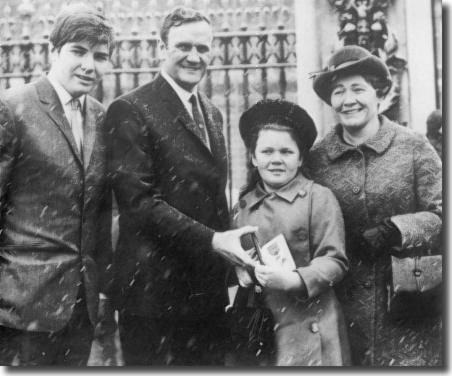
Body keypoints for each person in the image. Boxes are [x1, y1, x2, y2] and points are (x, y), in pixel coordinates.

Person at [106, 6, 255, 366]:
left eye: (203, 48)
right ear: (161, 47)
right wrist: (215, 241)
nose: (194, 57)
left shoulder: (211, 111)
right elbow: (139, 203)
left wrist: (230, 256)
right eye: (183, 46)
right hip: (153, 297)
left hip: (205, 292)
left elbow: (213, 199)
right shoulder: (130, 109)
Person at [307, 45, 442, 366]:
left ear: (379, 93)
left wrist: (396, 229)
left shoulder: (413, 147)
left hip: (411, 305)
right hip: (343, 305)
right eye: (338, 91)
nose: (348, 99)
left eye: (357, 88)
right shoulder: (316, 158)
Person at [0, 4, 114, 366]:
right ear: (53, 52)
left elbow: (97, 212)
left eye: (99, 56)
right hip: (22, 308)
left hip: (79, 307)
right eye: (78, 52)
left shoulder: (99, 114)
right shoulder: (13, 108)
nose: (88, 65)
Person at [229, 99, 350, 366]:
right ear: (253, 157)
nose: (276, 160)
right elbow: (232, 261)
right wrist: (241, 272)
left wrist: (293, 279)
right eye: (267, 151)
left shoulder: (318, 198)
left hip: (310, 326)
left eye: (286, 151)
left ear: (301, 157)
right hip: (263, 328)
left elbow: (335, 261)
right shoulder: (242, 206)